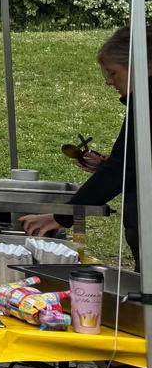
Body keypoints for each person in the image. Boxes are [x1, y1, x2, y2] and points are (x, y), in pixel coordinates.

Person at [20, 26, 141, 267]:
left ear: (139, 67)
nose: (109, 81)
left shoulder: (144, 108)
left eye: (113, 73)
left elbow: (121, 170)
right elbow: (132, 164)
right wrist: (108, 164)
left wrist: (61, 217)